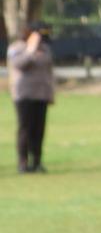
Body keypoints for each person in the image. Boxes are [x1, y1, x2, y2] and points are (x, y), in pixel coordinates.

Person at [12, 24, 55, 173]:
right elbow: (19, 65)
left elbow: (48, 73)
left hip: (41, 95)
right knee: (25, 129)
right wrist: (30, 49)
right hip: (24, 95)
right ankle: (23, 163)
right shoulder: (17, 48)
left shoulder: (45, 49)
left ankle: (37, 162)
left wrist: (50, 93)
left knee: (39, 130)